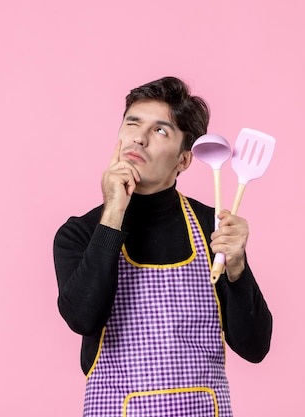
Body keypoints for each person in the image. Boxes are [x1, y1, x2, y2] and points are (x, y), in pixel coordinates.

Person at [54, 76, 272, 417]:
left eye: (160, 131)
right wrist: (113, 211)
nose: (139, 138)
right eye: (132, 123)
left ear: (184, 160)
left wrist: (237, 267)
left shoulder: (212, 227)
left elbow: (254, 347)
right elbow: (83, 318)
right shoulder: (80, 233)